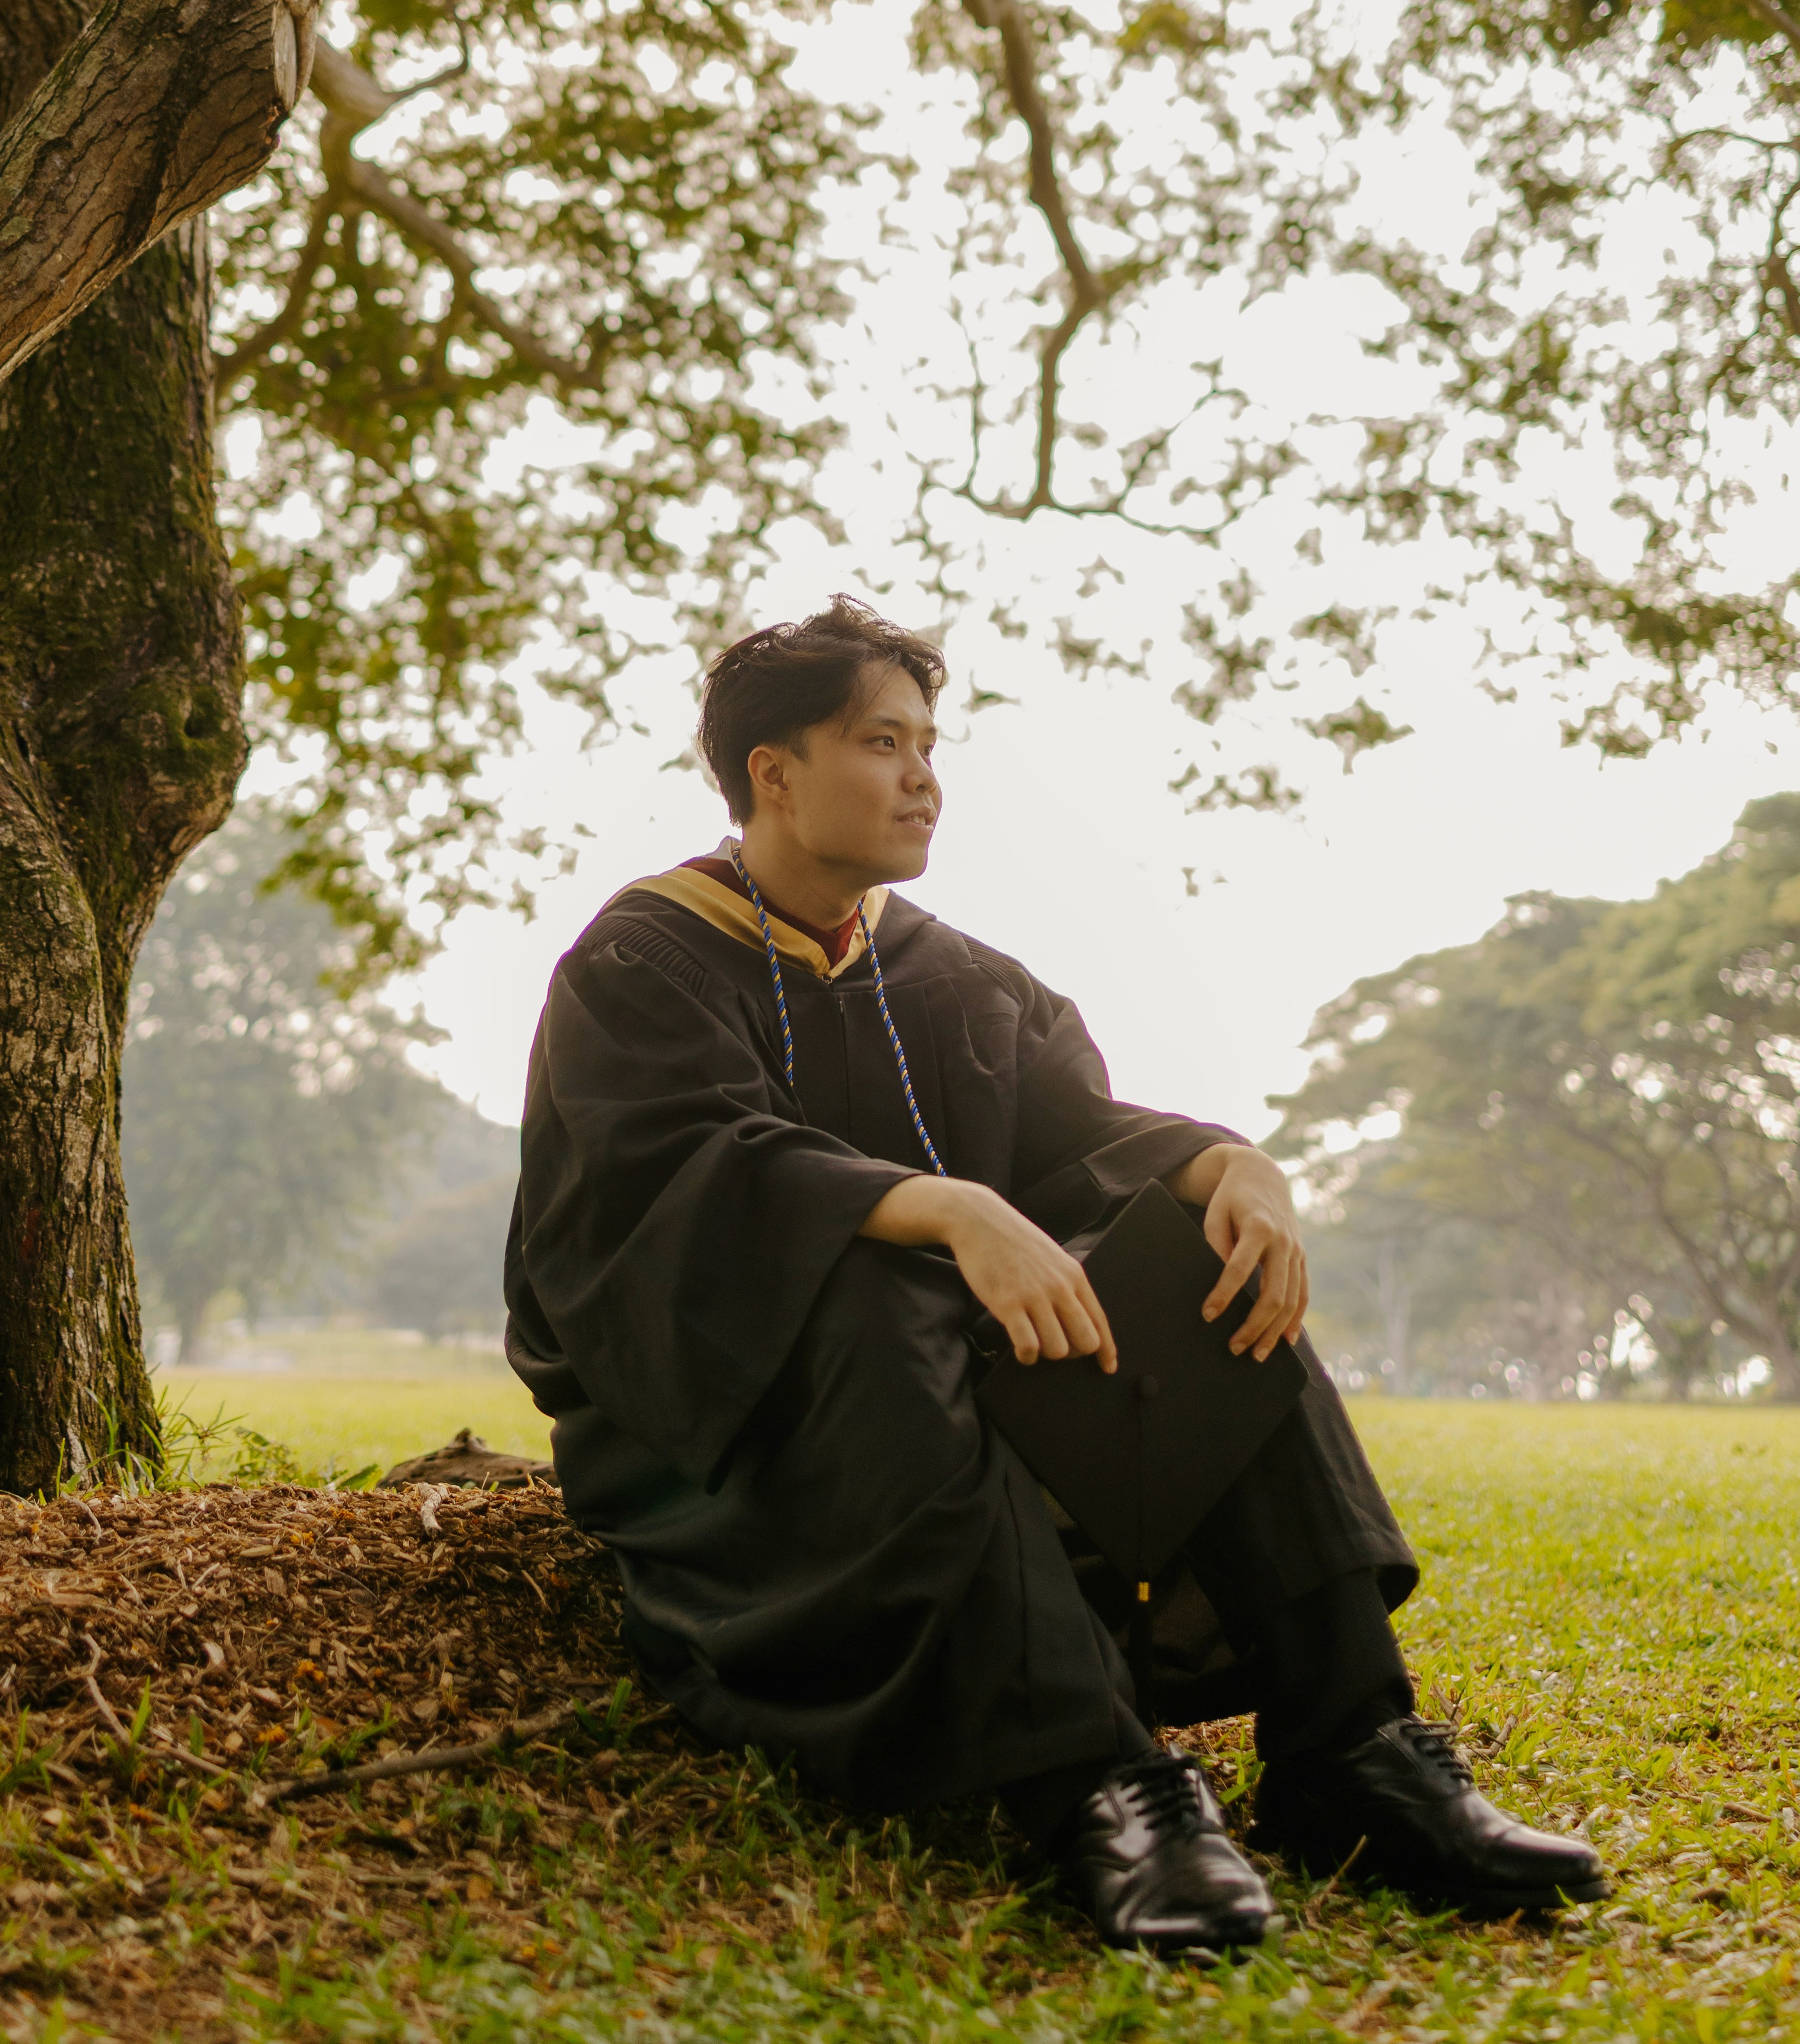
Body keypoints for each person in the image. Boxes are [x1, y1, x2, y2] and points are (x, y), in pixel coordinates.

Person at [505, 599, 1603, 1952]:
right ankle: (1096, 1780)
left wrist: (1231, 1168)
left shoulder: (955, 980)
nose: (922, 777)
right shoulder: (642, 963)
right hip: (741, 1451)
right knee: (866, 1277)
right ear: (769, 775)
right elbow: (672, 1183)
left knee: (1207, 1254)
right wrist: (942, 1211)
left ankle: (1351, 1750)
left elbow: (1083, 1139)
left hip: (962, 1427)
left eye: (928, 743)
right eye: (879, 741)